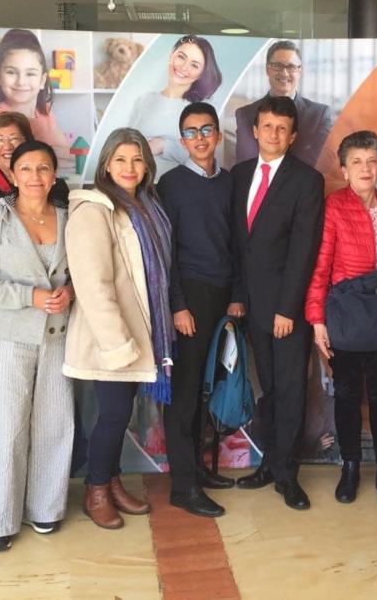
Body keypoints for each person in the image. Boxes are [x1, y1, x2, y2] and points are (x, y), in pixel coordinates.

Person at [0, 141, 73, 552]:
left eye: (43, 168)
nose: (34, 177)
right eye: (25, 168)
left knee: (55, 422)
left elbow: (80, 270)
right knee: (3, 427)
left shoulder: (68, 217)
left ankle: (45, 507)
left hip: (56, 336)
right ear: (12, 174)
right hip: (6, 337)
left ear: (54, 175)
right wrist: (30, 297)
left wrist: (70, 292)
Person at [63, 128, 174, 529]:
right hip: (109, 338)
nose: (130, 168)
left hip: (135, 334)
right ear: (107, 163)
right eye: (121, 160)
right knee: (112, 416)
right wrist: (117, 344)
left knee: (120, 414)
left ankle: (110, 482)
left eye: (138, 159)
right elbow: (94, 286)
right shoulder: (95, 209)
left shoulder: (144, 205)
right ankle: (95, 491)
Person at [230, 95, 324, 510]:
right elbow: (237, 246)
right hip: (251, 306)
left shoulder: (306, 181)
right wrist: (237, 298)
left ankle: (287, 475)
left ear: (293, 136)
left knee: (289, 390)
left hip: (287, 311)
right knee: (267, 388)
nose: (273, 134)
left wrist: (288, 309)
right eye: (267, 126)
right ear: (255, 130)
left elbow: (304, 249)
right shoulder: (239, 174)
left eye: (282, 129)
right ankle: (270, 463)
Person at [304, 130, 377, 506]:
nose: (366, 168)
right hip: (345, 317)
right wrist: (317, 320)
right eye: (357, 162)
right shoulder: (333, 207)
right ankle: (349, 467)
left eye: (372, 161)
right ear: (344, 170)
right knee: (346, 395)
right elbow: (320, 267)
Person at [157, 102, 242, 518]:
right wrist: (178, 306)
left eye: (206, 129)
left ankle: (198, 470)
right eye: (190, 132)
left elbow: (239, 244)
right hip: (188, 295)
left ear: (217, 134)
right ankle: (183, 485)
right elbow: (164, 253)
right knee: (184, 392)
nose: (200, 138)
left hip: (222, 295)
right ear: (181, 140)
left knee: (207, 388)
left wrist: (237, 295)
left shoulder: (230, 183)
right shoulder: (169, 185)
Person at [130, 35, 223, 179]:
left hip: (183, 190)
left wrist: (163, 146)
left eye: (194, 65)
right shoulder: (143, 100)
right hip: (140, 187)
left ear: (201, 74)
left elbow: (207, 156)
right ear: (171, 54)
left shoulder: (205, 108)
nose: (184, 67)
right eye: (181, 57)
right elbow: (127, 144)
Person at [235, 40, 332, 168]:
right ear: (267, 69)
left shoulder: (319, 115)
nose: (284, 73)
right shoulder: (246, 114)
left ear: (300, 71)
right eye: (278, 66)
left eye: (291, 67)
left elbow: (322, 162)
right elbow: (245, 162)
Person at [0, 28, 71, 174]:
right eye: (11, 72)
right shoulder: (1, 119)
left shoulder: (44, 111)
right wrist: (56, 155)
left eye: (30, 73)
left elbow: (68, 154)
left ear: (42, 80)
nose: (21, 82)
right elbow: (25, 164)